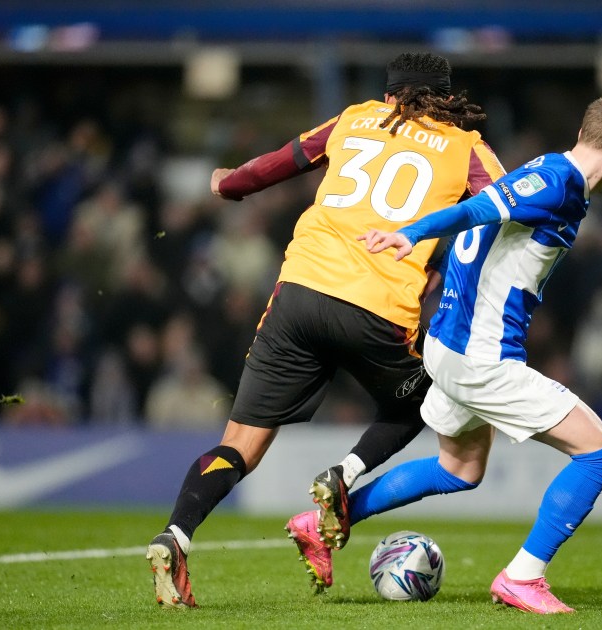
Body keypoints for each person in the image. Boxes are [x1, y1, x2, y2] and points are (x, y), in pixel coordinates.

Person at [145, 52, 506, 608]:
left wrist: (228, 185)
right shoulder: (464, 146)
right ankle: (344, 474)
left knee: (238, 444)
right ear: (447, 100)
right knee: (422, 405)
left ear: (390, 95)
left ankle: (176, 533)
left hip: (298, 294)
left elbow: (278, 163)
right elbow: (509, 207)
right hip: (377, 308)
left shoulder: (354, 118)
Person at [287, 95, 602, 614]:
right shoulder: (558, 182)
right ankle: (523, 577)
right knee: (600, 453)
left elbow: (486, 219)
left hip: (448, 346)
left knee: (459, 468)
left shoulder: (542, 171)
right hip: (483, 357)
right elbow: (477, 209)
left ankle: (324, 522)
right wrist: (410, 234)